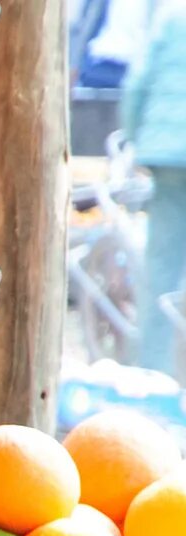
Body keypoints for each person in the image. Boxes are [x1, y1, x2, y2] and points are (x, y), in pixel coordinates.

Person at [126, 0, 186, 372]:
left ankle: (152, 374)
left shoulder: (172, 18)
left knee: (162, 268)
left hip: (166, 158)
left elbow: (136, 85)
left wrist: (136, 141)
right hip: (165, 154)